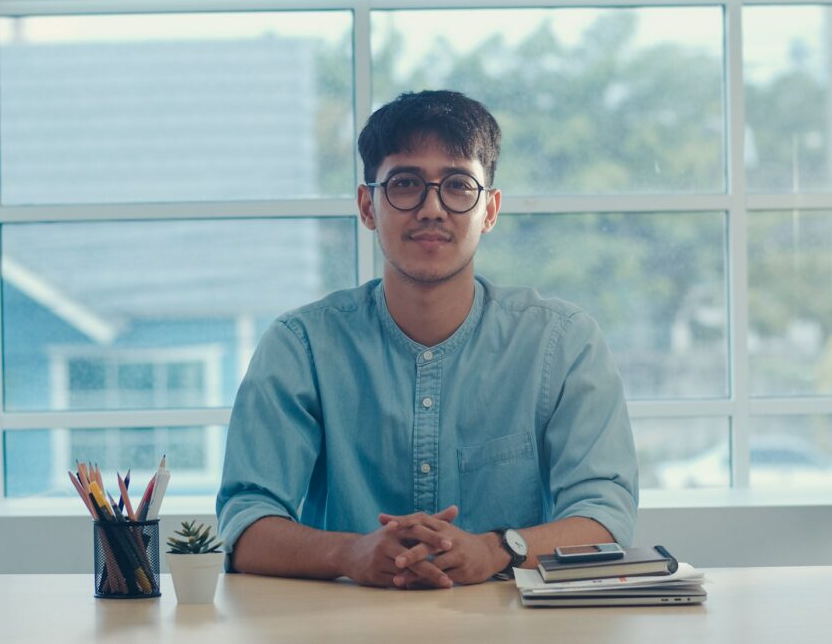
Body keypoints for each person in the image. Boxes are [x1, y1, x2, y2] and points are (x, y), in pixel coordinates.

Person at [216, 90, 638, 589]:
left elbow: (606, 516)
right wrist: (351, 552)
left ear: (490, 209)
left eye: (458, 185)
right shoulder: (300, 346)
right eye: (406, 184)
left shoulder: (563, 343)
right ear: (366, 205)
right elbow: (246, 525)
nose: (432, 208)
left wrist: (495, 549)